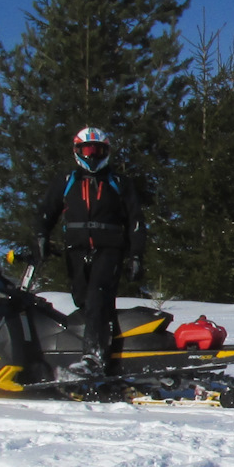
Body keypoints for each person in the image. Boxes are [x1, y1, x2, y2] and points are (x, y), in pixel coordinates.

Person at [37, 127, 145, 377]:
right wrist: (41, 236)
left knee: (99, 296)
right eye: (89, 150)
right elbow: (46, 211)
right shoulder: (67, 181)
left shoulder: (118, 183)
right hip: (76, 249)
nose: (93, 156)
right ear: (78, 151)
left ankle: (94, 358)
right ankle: (104, 348)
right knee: (83, 301)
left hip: (110, 249)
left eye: (98, 150)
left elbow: (136, 221)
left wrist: (136, 254)